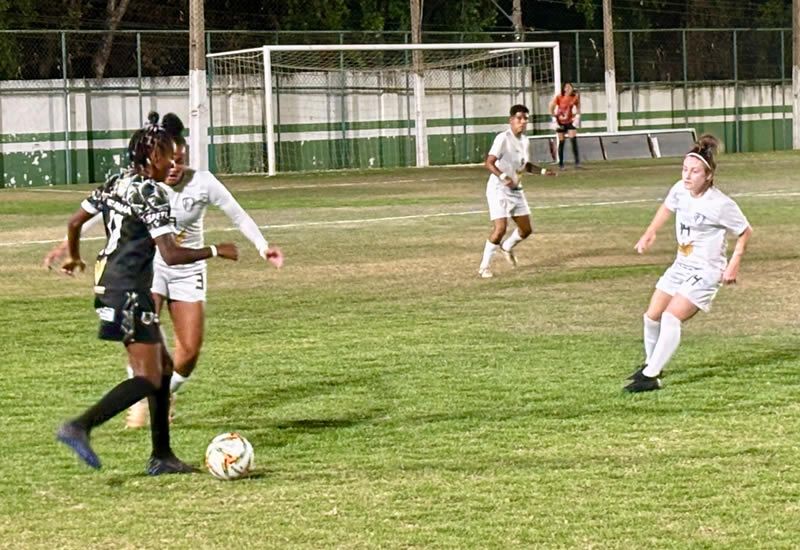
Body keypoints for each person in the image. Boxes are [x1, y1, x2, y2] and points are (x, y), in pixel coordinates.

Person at [45, 113, 284, 428]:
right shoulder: (144, 186)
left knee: (190, 349)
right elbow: (106, 209)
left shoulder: (203, 182)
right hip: (154, 266)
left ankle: (164, 395)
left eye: (180, 160)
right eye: (171, 159)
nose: (175, 166)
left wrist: (262, 245)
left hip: (189, 269)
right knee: (144, 338)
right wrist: (67, 244)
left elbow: (237, 216)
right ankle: (140, 408)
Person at [55, 112, 239, 474]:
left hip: (111, 283)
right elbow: (171, 253)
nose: (173, 163)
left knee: (165, 369)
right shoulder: (152, 192)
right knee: (149, 377)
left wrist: (74, 255)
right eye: (169, 156)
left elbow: (76, 221)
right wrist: (215, 251)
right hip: (128, 291)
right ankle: (79, 425)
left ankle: (162, 456)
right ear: (153, 158)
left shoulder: (116, 181)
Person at [625, 135, 753, 392]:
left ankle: (650, 376)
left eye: (694, 171)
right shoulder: (680, 189)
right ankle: (652, 365)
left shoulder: (720, 203)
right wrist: (650, 232)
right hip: (681, 264)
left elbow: (745, 231)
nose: (687, 176)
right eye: (684, 169)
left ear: (708, 176)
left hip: (706, 270)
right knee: (651, 317)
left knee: (671, 317)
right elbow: (666, 207)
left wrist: (734, 263)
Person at [478, 104, 555, 279]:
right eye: (519, 118)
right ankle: (484, 267)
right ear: (511, 120)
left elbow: (524, 165)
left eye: (525, 118)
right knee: (500, 229)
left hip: (515, 189)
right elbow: (489, 162)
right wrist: (503, 176)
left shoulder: (525, 141)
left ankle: (506, 247)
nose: (523, 122)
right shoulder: (503, 138)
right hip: (498, 189)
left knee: (526, 230)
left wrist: (543, 171)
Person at [548, 82, 581, 170]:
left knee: (573, 140)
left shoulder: (574, 97)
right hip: (560, 121)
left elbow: (578, 106)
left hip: (570, 121)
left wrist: (577, 116)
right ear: (564, 88)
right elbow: (551, 106)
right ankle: (561, 164)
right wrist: (554, 118)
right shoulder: (559, 97)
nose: (568, 88)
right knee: (561, 142)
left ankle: (577, 163)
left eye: (570, 86)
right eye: (566, 87)